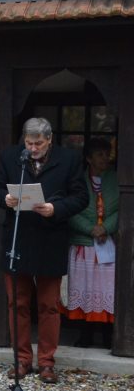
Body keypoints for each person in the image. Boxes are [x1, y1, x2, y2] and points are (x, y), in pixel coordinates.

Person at [0, 117, 88, 384]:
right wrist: (5, 199)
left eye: (38, 144)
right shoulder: (11, 156)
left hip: (50, 238)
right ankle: (22, 359)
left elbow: (81, 197)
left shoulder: (68, 159)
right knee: (18, 303)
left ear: (50, 140)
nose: (32, 149)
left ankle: (46, 362)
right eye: (29, 143)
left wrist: (56, 209)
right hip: (18, 237)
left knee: (48, 305)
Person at [66, 137, 118, 349]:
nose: (105, 158)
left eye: (107, 154)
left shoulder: (116, 179)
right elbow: (70, 209)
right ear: (88, 158)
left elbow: (122, 208)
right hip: (83, 245)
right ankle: (85, 335)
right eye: (100, 154)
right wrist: (91, 229)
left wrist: (106, 228)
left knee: (107, 291)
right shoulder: (77, 180)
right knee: (85, 289)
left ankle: (108, 337)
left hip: (107, 245)